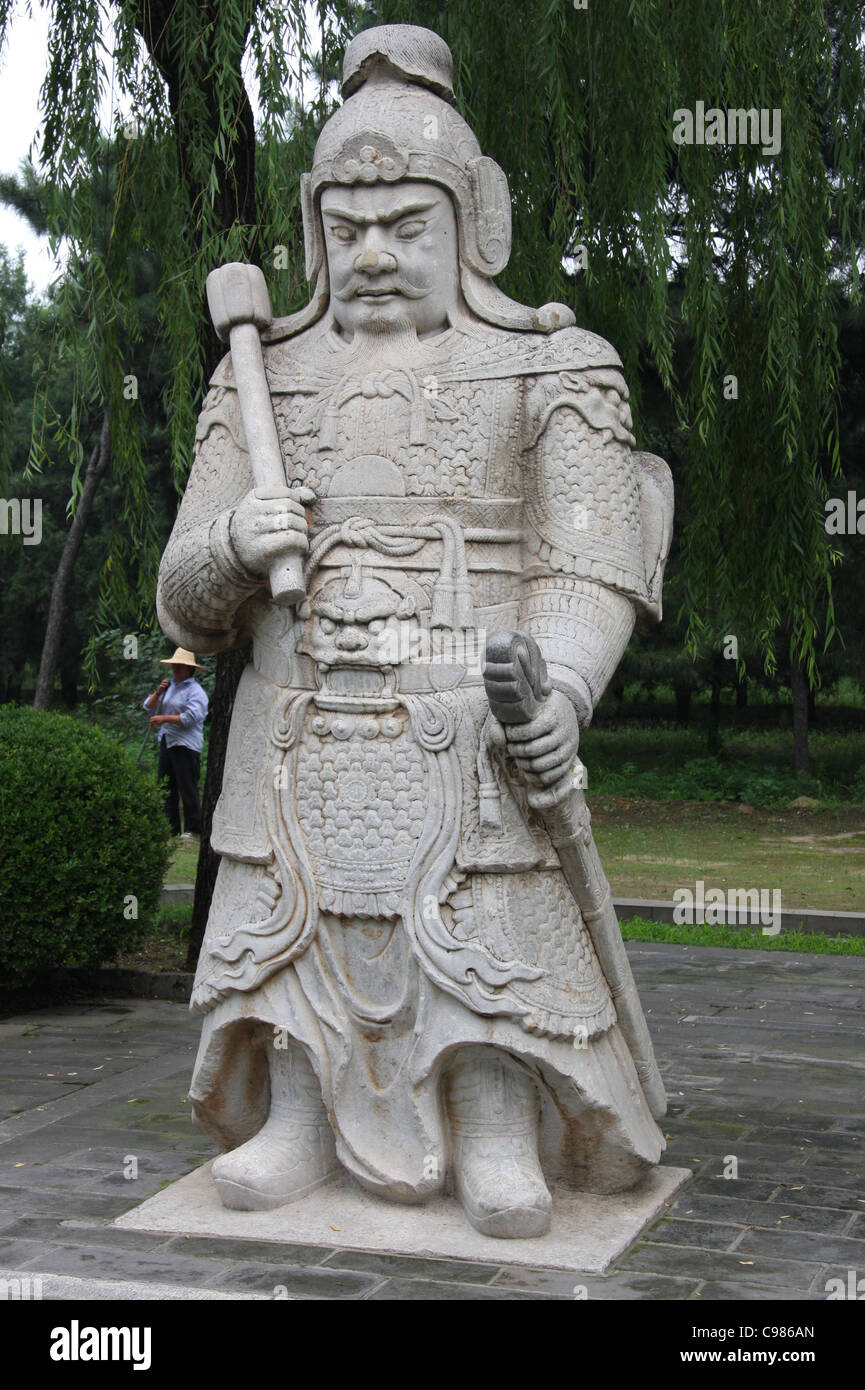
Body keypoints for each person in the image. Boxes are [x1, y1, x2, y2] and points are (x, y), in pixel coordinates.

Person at [155, 25, 674, 1236]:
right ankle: (302, 1117)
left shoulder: (551, 365)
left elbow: (589, 560)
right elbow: (185, 601)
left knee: (481, 923)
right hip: (299, 721)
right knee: (299, 922)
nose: (375, 252)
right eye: (349, 229)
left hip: (466, 711)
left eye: (407, 225)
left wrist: (563, 692)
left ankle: (497, 1127)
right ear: (312, 231)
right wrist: (237, 538)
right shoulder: (255, 382)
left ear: (472, 222)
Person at [143, 647, 208, 840]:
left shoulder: (196, 692)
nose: (176, 669)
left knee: (187, 785)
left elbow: (190, 717)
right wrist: (158, 692)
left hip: (186, 744)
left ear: (189, 669)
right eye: (174, 665)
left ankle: (192, 828)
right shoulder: (168, 687)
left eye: (180, 666)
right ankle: (170, 828)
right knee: (166, 786)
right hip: (168, 740)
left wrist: (163, 718)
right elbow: (148, 706)